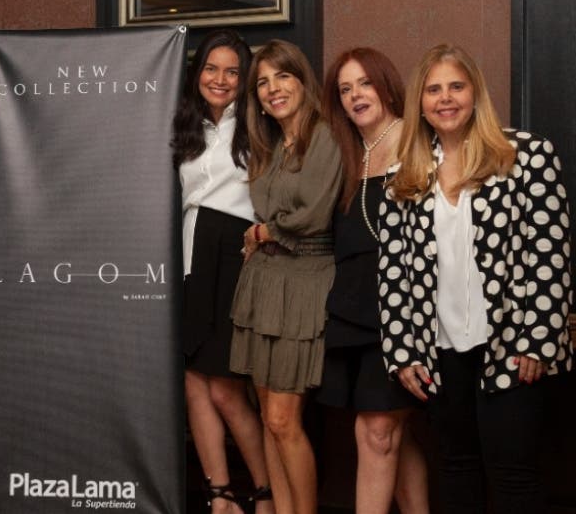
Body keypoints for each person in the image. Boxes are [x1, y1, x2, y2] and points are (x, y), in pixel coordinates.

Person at [379, 43, 572, 513]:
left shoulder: (526, 155)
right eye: (433, 90)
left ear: (475, 93)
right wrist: (403, 351)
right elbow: (392, 273)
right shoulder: (403, 176)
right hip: (440, 351)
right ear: (420, 102)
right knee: (455, 468)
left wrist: (538, 340)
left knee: (514, 476)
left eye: (456, 87)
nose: (445, 98)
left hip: (513, 346)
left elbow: (550, 254)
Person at [229, 39, 341, 514]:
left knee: (282, 420)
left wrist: (264, 231)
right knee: (266, 418)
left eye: (283, 76)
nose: (273, 89)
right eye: (262, 82)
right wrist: (265, 235)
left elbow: (313, 215)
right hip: (264, 282)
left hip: (304, 282)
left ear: (302, 80)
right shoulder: (272, 145)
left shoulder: (325, 136)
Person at [319, 47, 428, 514]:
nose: (355, 95)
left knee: (378, 430)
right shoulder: (346, 153)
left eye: (364, 83)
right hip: (352, 309)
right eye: (345, 89)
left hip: (401, 310)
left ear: (386, 86)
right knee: (389, 433)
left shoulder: (417, 142)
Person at [172, 29, 274, 514]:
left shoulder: (259, 125)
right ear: (197, 74)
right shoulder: (183, 126)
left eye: (232, 71)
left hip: (238, 256)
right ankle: (221, 496)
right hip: (190, 254)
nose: (220, 79)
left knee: (228, 389)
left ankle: (267, 491)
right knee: (194, 380)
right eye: (211, 68)